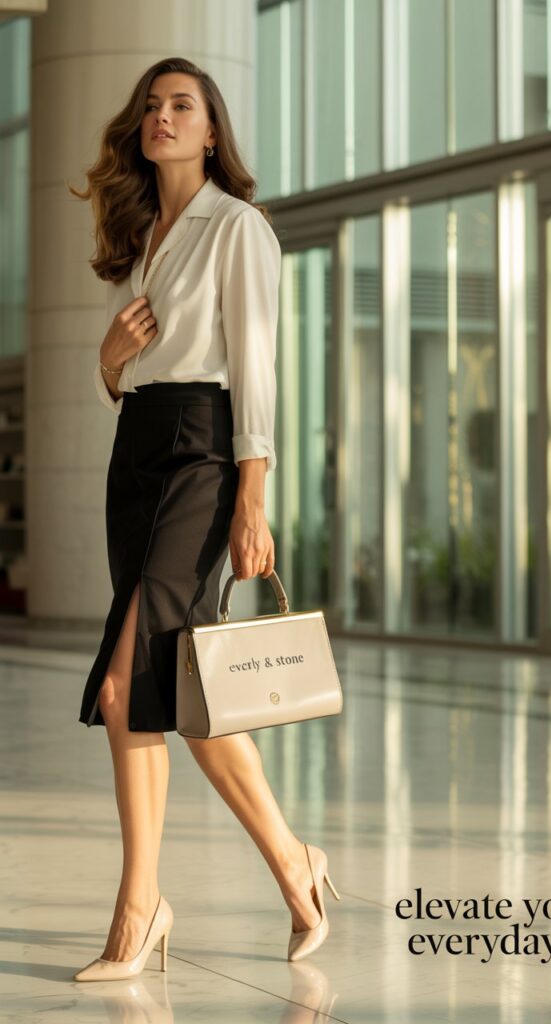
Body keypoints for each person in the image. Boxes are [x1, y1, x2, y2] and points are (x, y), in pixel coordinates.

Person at [69, 57, 339, 981]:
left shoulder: (239, 227)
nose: (162, 116)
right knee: (179, 694)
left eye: (181, 105)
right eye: (151, 105)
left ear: (212, 130)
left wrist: (253, 496)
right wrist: (108, 362)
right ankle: (296, 865)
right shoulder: (139, 237)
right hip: (137, 452)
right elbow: (121, 373)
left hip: (204, 452)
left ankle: (140, 908)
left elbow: (255, 365)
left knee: (126, 689)